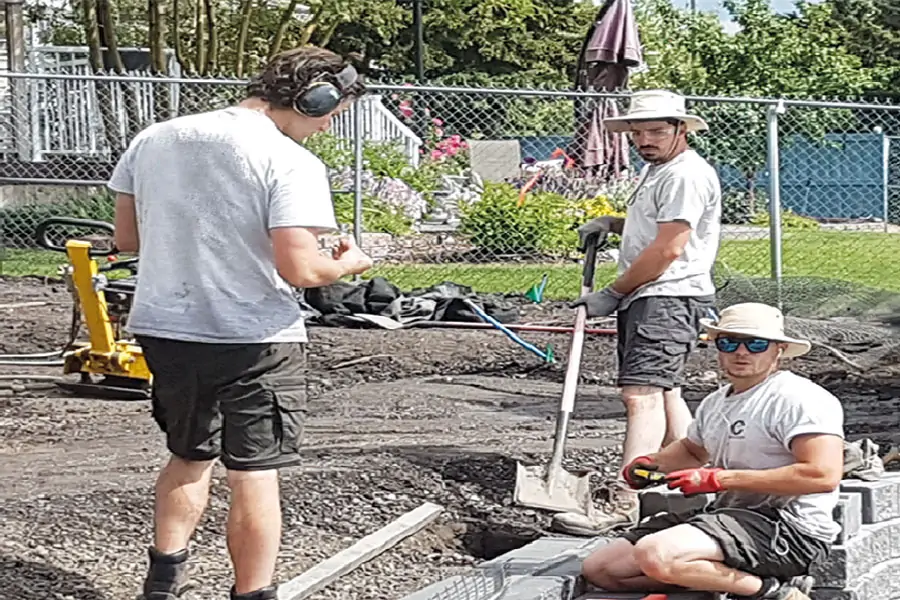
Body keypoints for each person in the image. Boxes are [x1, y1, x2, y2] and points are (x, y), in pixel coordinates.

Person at [109, 46, 374, 600]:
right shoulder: (290, 160)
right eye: (332, 113)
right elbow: (302, 270)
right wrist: (350, 262)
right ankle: (254, 594)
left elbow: (128, 240)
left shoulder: (154, 139)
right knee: (253, 472)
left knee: (189, 455)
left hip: (166, 327)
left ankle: (163, 584)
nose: (328, 126)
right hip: (255, 338)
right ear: (313, 99)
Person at [580, 302, 845, 600]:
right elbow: (692, 451)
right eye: (729, 342)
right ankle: (722, 581)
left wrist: (718, 480)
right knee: (602, 569)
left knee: (657, 554)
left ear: (779, 350)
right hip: (729, 515)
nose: (741, 352)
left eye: (756, 344)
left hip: (789, 530)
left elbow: (821, 475)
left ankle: (774, 593)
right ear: (717, 346)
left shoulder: (799, 399)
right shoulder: (716, 402)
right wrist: (650, 464)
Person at [553, 89, 723, 535]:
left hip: (667, 296)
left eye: (656, 131)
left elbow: (668, 249)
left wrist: (613, 291)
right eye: (638, 132)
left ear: (681, 129)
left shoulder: (684, 175)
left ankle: (625, 499)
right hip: (654, 296)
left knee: (640, 396)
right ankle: (695, 483)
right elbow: (656, 228)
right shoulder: (660, 170)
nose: (645, 140)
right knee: (665, 394)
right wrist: (613, 224)